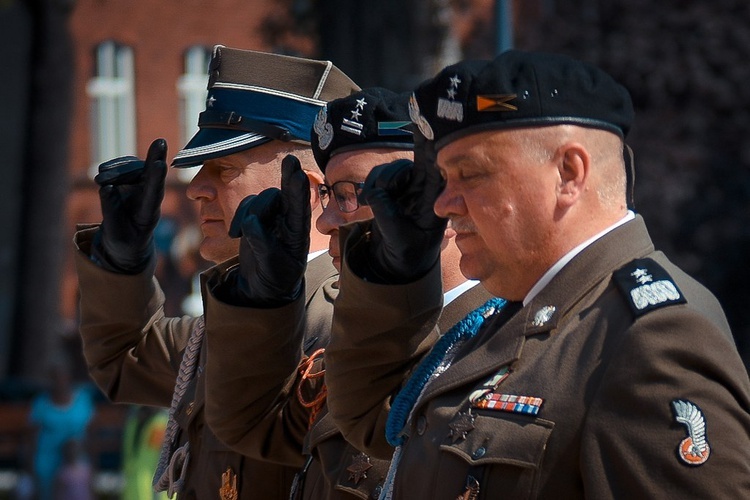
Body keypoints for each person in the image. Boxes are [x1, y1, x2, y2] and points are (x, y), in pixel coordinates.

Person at [324, 50, 750, 498]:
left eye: (470, 174)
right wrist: (394, 274)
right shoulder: (514, 314)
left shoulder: (652, 337)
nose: (442, 205)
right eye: (444, 178)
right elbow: (373, 419)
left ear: (569, 174)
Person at [74, 45, 359, 499]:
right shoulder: (229, 322)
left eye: (223, 171)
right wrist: (121, 263)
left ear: (299, 194)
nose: (196, 191)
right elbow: (124, 359)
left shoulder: (345, 325)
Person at [202, 88, 491, 499]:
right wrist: (264, 301)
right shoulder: (349, 345)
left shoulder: (488, 344)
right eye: (329, 194)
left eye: (353, 193)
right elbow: (247, 428)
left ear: (437, 205)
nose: (326, 222)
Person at [28, 359, 95, 500]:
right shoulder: (41, 404)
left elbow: (91, 437)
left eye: (63, 375)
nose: (59, 381)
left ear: (69, 377)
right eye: (55, 376)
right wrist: (30, 472)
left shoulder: (83, 401)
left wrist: (93, 469)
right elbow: (31, 441)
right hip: (47, 466)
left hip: (76, 467)